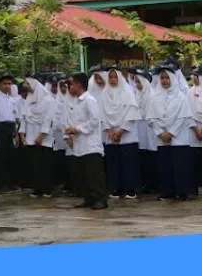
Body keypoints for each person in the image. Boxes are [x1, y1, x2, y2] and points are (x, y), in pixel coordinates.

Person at [147, 65, 195, 201]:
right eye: (162, 78)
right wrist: (161, 133)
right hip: (161, 138)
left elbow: (182, 117)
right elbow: (151, 118)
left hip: (178, 137)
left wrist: (171, 133)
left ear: (172, 79)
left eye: (167, 78)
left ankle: (182, 191)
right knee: (165, 165)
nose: (164, 81)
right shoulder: (154, 97)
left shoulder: (181, 97)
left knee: (179, 165)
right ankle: (168, 191)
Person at [92, 67, 141, 198]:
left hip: (127, 135)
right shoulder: (104, 94)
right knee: (114, 164)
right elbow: (101, 114)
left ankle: (130, 189)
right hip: (110, 135)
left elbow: (131, 113)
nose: (113, 80)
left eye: (115, 77)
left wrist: (120, 131)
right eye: (110, 77)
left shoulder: (127, 92)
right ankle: (116, 188)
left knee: (128, 163)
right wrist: (109, 130)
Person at [63, 73, 107, 210]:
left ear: (79, 85)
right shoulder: (76, 101)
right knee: (84, 174)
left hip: (90, 144)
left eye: (72, 84)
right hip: (79, 144)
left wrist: (77, 129)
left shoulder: (89, 100)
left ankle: (100, 199)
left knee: (94, 174)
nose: (70, 87)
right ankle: (88, 198)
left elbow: (94, 120)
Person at [20, 76, 56, 198]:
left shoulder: (48, 100)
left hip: (44, 137)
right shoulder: (28, 100)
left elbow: (48, 119)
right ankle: (37, 188)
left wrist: (41, 135)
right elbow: (24, 118)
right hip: (30, 136)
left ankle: (47, 189)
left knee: (45, 163)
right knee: (34, 164)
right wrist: (22, 134)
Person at [0, 75, 19, 192]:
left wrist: (15, 132)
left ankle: (10, 183)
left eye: (9, 84)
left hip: (10, 127)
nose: (7, 86)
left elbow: (15, 117)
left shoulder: (12, 99)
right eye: (5, 84)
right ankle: (1, 183)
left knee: (11, 156)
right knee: (0, 156)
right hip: (0, 127)